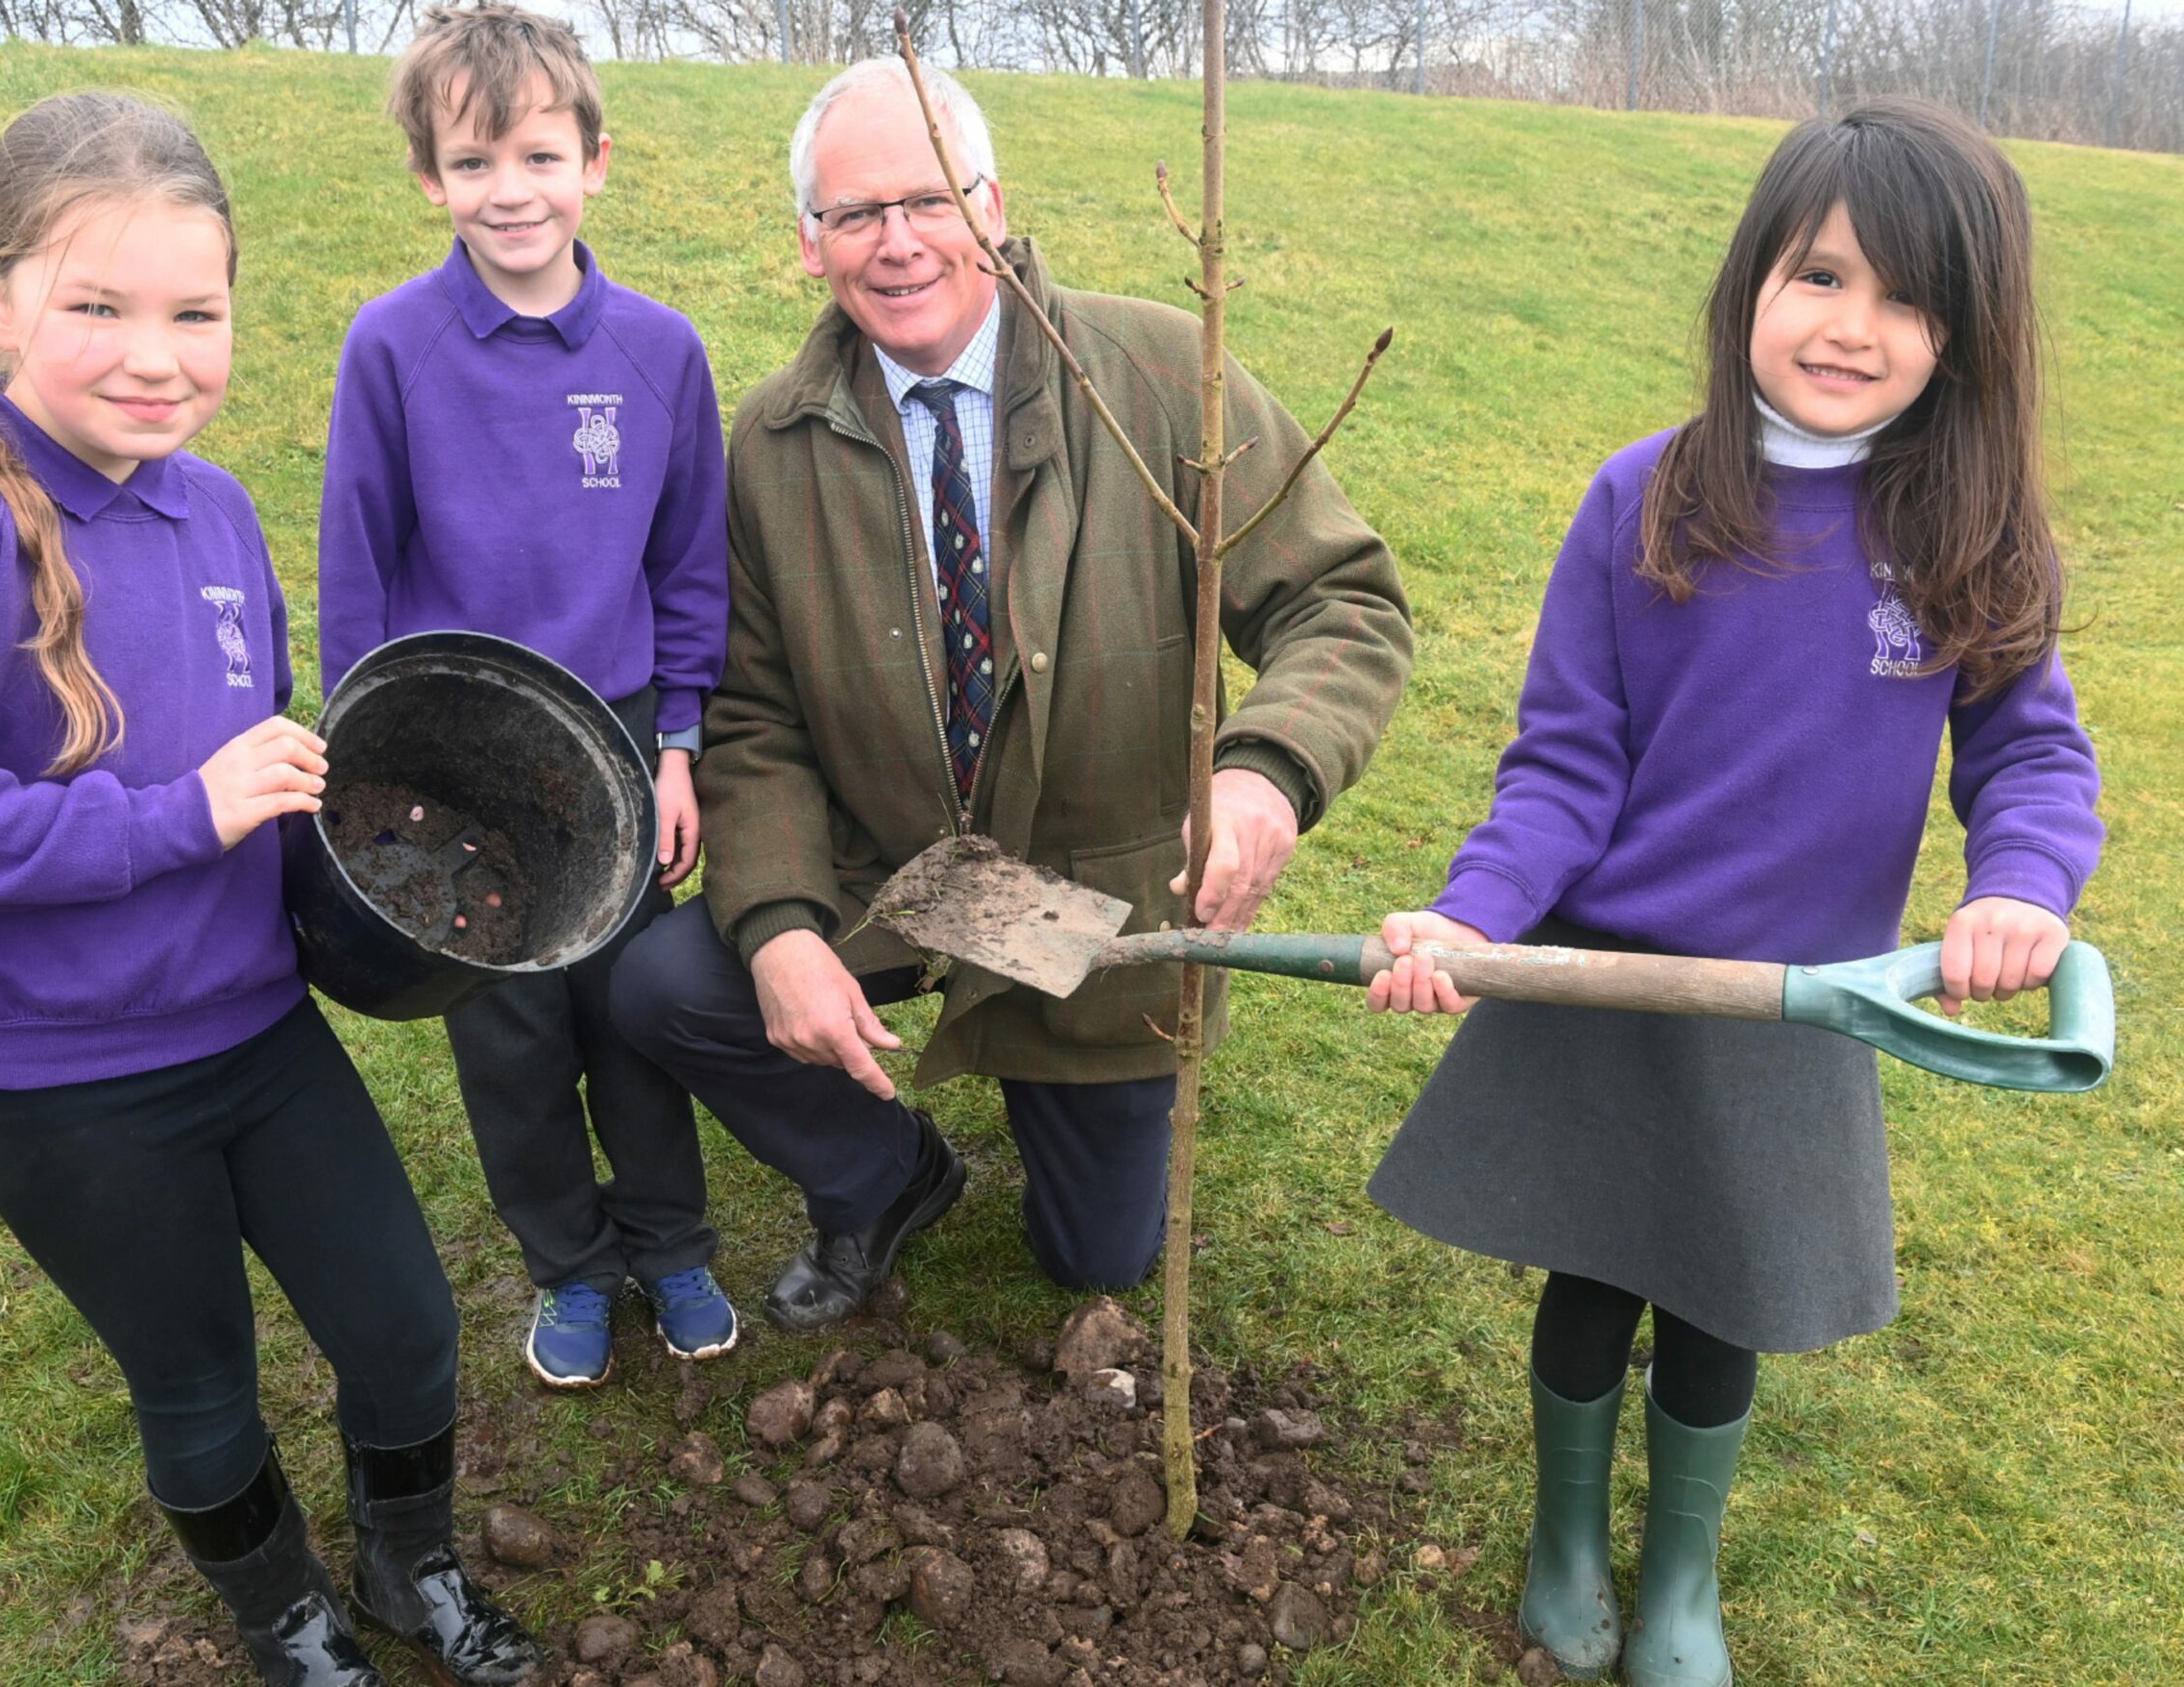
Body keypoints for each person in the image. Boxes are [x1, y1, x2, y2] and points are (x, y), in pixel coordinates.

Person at [0, 93, 547, 1687]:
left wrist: (394, 863)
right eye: (98, 307)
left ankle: (412, 1575)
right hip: (64, 1079)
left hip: (257, 1034)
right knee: (196, 1378)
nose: (156, 357)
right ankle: (290, 1621)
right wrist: (170, 821)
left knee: (407, 1325)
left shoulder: (209, 507)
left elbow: (255, 766)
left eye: (195, 313)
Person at [1364, 99, 2102, 1687]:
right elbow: (1561, 763)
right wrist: (1475, 914)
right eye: (1821, 275)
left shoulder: (1972, 535)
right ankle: (1569, 1536)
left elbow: (2032, 761)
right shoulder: (1643, 499)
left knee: (1724, 1296)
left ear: (1966, 337)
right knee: (1595, 1262)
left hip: (1797, 1003)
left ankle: (1680, 1578)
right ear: (1749, 281)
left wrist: (2021, 888)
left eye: (1909, 299)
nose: (1854, 327)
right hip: (1607, 979)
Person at [611, 58, 1413, 1332]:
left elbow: (1343, 602)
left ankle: (1055, 1095)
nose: (898, 243)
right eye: (856, 214)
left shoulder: (1154, 374)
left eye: (928, 199)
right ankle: (886, 1173)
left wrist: (1269, 770)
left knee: (1096, 1260)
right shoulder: (769, 446)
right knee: (660, 981)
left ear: (991, 201)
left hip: (1091, 917)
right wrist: (777, 929)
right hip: (900, 872)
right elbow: (752, 720)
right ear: (809, 240)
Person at [319, 4, 734, 1389]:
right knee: (507, 1035)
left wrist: (680, 747)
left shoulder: (660, 355)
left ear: (595, 162)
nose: (513, 192)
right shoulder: (391, 349)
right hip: (452, 762)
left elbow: (688, 569)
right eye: (476, 163)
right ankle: (568, 1263)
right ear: (433, 181)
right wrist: (361, 773)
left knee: (631, 1012)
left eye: (541, 156)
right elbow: (357, 567)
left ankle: (671, 1242)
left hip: (612, 747)